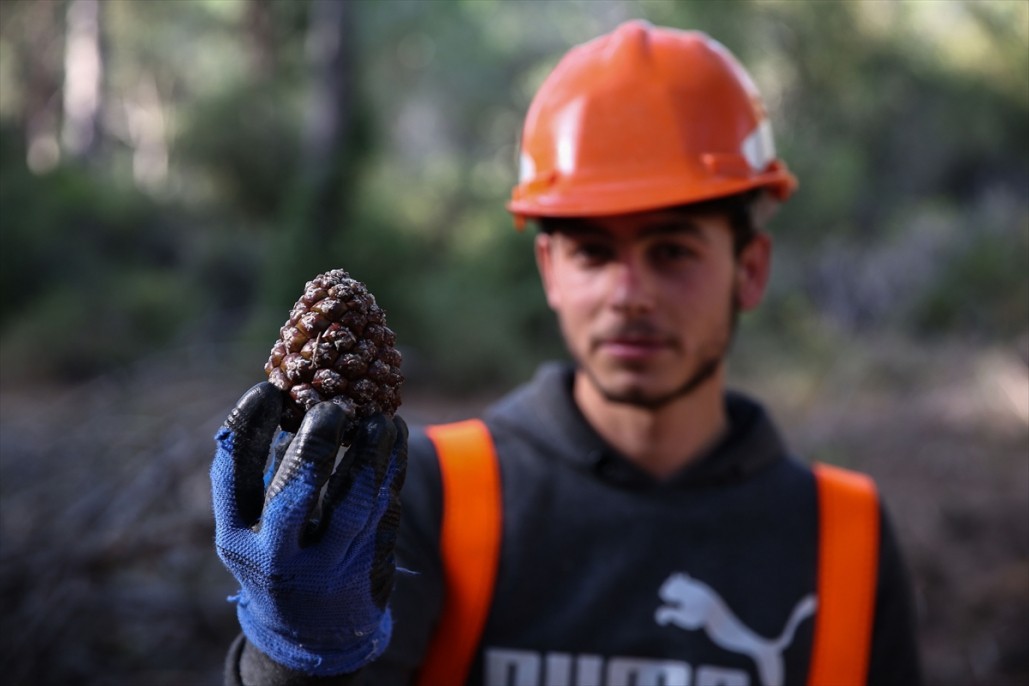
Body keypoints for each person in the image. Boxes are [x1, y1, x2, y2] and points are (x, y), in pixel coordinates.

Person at [211, 20, 922, 686]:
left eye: (672, 251)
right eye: (592, 252)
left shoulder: (846, 537)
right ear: (550, 271)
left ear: (751, 270)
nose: (628, 295)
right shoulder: (424, 492)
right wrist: (293, 656)